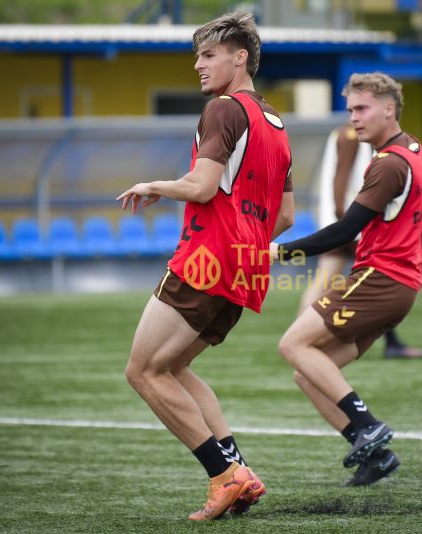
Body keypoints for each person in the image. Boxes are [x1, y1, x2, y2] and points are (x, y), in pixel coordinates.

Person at [116, 11, 294, 521]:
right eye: (198, 55)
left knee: (143, 371)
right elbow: (285, 216)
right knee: (173, 367)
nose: (198, 65)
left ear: (240, 58)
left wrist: (153, 184)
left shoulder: (223, 109)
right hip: (246, 267)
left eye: (209, 54)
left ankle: (224, 476)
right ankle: (241, 472)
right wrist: (243, 239)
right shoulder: (276, 124)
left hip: (206, 261)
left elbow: (202, 187)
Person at [273, 72, 422, 487]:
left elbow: (344, 231)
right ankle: (375, 454)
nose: (355, 118)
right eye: (350, 109)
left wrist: (279, 252)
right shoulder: (414, 149)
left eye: (362, 108)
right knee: (308, 370)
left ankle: (367, 424)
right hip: (397, 286)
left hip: (378, 279)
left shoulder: (387, 165)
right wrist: (419, 273)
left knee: (292, 344)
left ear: (389, 108)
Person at [298, 123, 422, 359]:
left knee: (325, 280)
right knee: (380, 277)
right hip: (349, 222)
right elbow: (341, 178)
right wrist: (346, 222)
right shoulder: (350, 136)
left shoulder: (344, 133)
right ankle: (302, 336)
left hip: (342, 220)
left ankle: (300, 335)